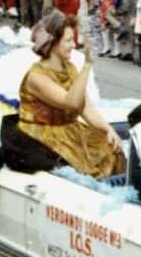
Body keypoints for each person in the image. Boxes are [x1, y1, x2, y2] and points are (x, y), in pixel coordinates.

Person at [20, 10, 124, 177]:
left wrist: (108, 129)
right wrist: (88, 64)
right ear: (53, 43)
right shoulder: (36, 77)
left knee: (112, 150)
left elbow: (85, 108)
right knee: (84, 172)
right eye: (68, 40)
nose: (74, 45)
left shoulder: (69, 68)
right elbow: (72, 103)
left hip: (68, 132)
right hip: (42, 137)